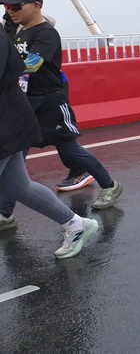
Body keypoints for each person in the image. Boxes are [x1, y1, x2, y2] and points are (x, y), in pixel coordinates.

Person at [0, 0, 123, 213]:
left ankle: (110, 185)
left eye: (15, 6)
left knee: (70, 150)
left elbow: (32, 65)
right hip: (25, 103)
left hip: (50, 102)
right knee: (14, 156)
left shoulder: (46, 33)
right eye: (6, 6)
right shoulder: (17, 32)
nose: (10, 11)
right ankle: (5, 212)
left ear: (36, 6)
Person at [0, 29, 99, 257]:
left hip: (6, 121)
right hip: (11, 118)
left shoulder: (43, 33)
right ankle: (76, 225)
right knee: (19, 187)